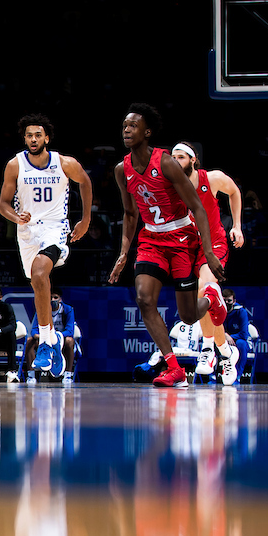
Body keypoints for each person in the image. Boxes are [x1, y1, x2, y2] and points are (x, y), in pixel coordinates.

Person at [108, 104, 225, 388]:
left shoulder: (166, 162)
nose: (127, 129)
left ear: (147, 132)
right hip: (151, 239)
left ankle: (211, 298)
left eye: (133, 125)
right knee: (144, 299)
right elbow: (130, 213)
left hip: (182, 238)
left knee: (187, 314)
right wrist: (123, 253)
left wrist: (208, 252)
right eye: (125, 124)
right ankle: (174, 368)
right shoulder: (122, 169)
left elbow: (197, 206)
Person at [0, 114, 92, 380]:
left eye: (38, 135)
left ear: (47, 138)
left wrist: (85, 219)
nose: (33, 139)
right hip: (26, 231)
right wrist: (16, 218)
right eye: (29, 135)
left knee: (40, 273)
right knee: (37, 282)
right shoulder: (15, 165)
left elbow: (85, 182)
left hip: (55, 227)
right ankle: (51, 341)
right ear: (24, 138)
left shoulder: (65, 163)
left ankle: (47, 343)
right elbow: (3, 204)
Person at [170, 143, 243, 386]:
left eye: (180, 156)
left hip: (214, 246)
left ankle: (209, 348)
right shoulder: (171, 187)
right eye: (172, 157)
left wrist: (236, 226)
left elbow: (234, 192)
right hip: (188, 248)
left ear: (193, 160)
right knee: (201, 303)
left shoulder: (211, 179)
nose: (175, 160)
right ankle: (225, 352)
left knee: (205, 288)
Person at [21, 291, 77, 384]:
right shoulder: (42, 310)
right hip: (45, 339)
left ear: (60, 299)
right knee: (30, 340)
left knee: (70, 341)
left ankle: (68, 375)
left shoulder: (67, 309)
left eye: (55, 297)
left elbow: (70, 331)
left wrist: (55, 337)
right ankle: (31, 376)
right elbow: (34, 331)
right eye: (50, 297)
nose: (52, 300)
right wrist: (44, 337)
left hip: (60, 339)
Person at [221, 288, 253, 383]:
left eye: (229, 300)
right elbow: (215, 329)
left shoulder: (241, 312)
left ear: (234, 301)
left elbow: (244, 334)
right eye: (224, 300)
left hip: (240, 340)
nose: (226, 303)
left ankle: (237, 376)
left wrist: (230, 337)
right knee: (214, 343)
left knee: (241, 344)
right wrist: (225, 336)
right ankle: (214, 376)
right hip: (225, 340)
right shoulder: (219, 311)